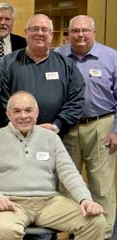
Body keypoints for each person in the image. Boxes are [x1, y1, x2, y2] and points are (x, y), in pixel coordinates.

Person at [0, 91, 106, 239]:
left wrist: (85, 199)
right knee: (6, 230)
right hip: (11, 203)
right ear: (8, 114)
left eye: (28, 110)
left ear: (37, 113)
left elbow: (69, 174)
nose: (23, 116)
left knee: (95, 221)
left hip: (50, 202)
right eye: (17, 111)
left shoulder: (51, 138)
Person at [56, 15, 117, 238]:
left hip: (101, 125)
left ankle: (105, 232)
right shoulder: (58, 56)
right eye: (74, 31)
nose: (80, 35)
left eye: (85, 30)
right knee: (66, 182)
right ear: (67, 33)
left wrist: (116, 131)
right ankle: (70, 230)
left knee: (101, 184)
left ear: (94, 32)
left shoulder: (112, 57)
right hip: (67, 128)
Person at [0, 14, 85, 135]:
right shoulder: (7, 64)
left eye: (44, 29)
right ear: (26, 33)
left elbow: (76, 99)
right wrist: (21, 126)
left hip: (56, 134)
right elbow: (0, 100)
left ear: (51, 34)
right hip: (16, 135)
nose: (39, 33)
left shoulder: (66, 65)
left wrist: (58, 124)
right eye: (34, 29)